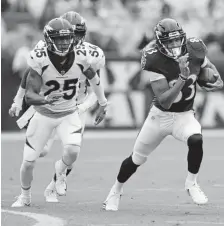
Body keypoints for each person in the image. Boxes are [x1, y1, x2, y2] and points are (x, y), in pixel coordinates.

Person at [103, 18, 223, 211]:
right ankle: (115, 191)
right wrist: (183, 77)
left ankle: (191, 183)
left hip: (184, 115)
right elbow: (165, 100)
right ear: (160, 43)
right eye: (169, 41)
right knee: (136, 159)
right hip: (160, 117)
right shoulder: (154, 60)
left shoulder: (194, 49)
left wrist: (211, 78)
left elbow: (210, 72)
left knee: (196, 139)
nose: (175, 45)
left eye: (177, 40)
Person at [11, 17, 108, 207]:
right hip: (44, 111)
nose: (65, 42)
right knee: (32, 159)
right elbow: (29, 88)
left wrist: (101, 104)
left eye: (71, 37)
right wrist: (21, 100)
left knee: (73, 151)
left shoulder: (86, 55)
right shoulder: (40, 55)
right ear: (48, 39)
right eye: (59, 39)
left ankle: (58, 176)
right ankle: (25, 195)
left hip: (71, 110)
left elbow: (95, 81)